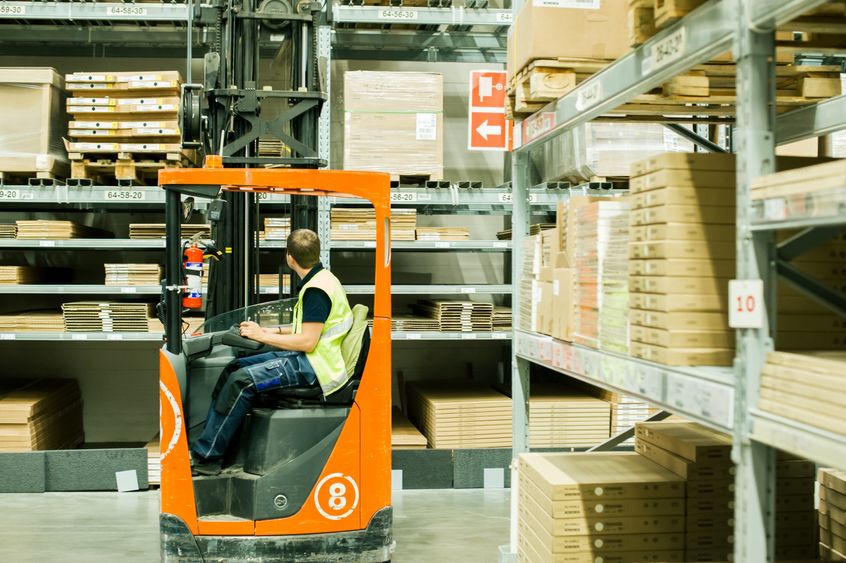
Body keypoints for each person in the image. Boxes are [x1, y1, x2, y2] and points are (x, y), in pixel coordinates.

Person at [191, 228, 354, 476]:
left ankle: (209, 457)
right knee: (234, 368)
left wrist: (261, 336)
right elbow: (308, 327)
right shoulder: (322, 279)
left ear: (289, 257)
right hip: (308, 359)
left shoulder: (316, 291)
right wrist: (271, 330)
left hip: (314, 367)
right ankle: (213, 440)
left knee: (242, 382)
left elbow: (308, 342)